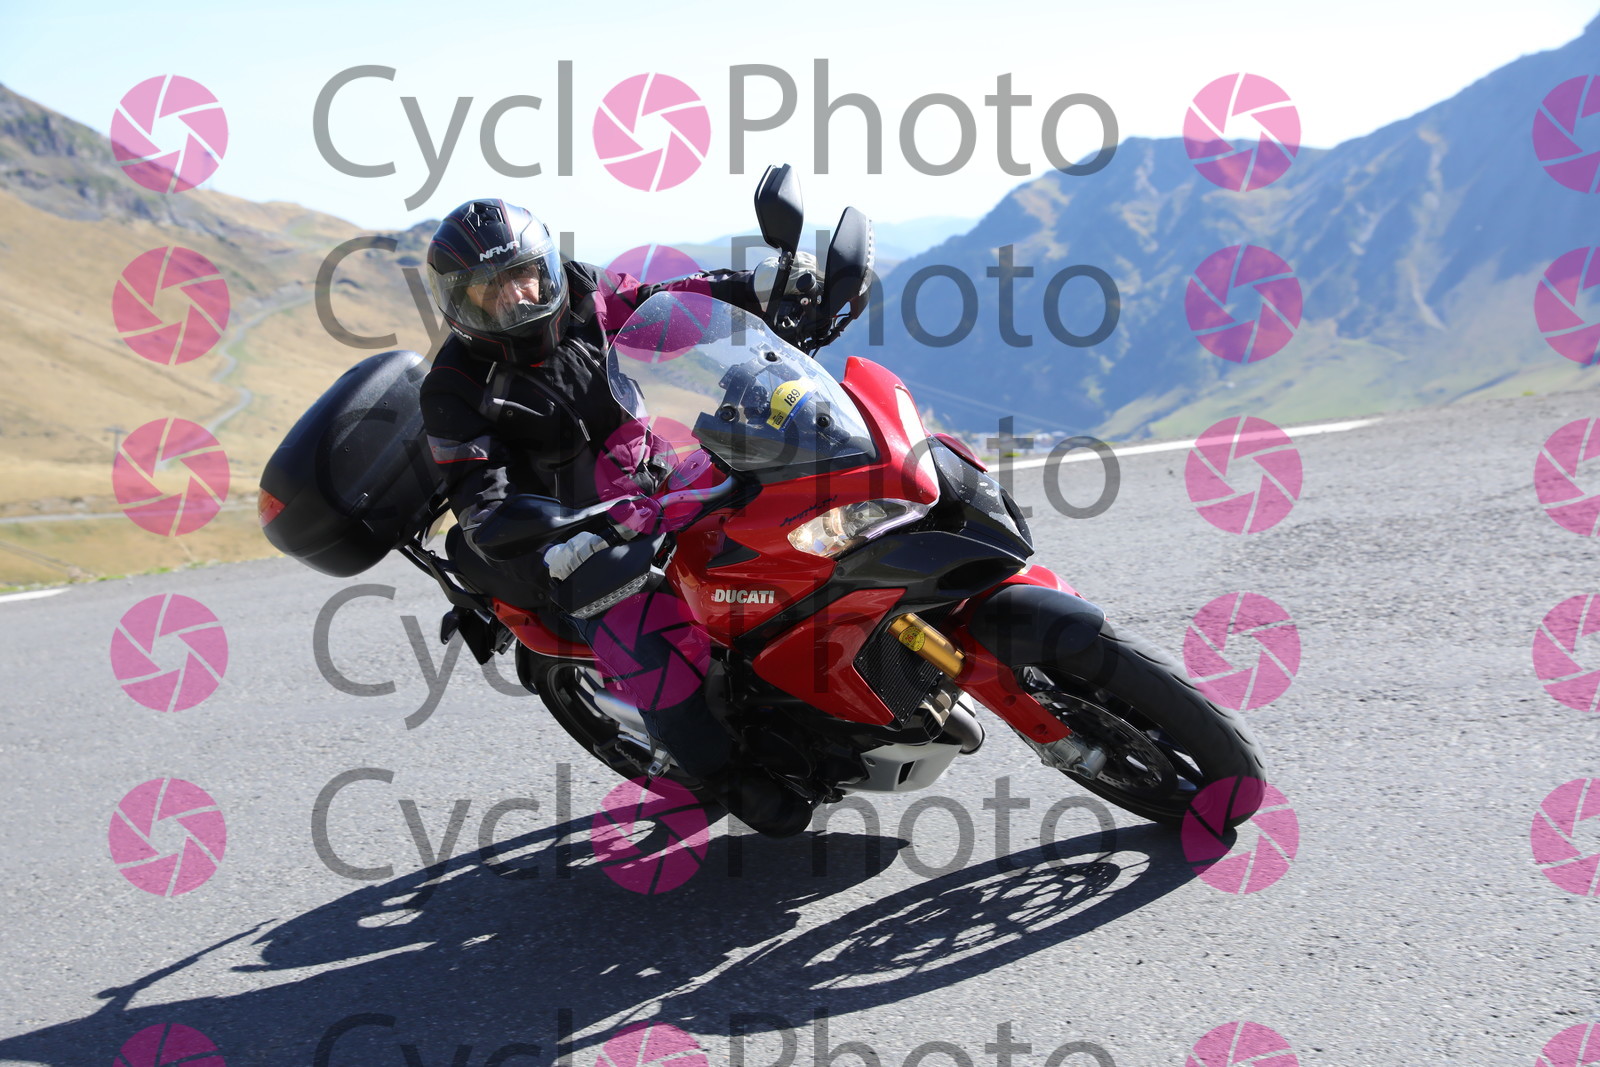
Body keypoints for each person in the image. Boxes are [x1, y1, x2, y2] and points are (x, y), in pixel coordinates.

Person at [419, 198, 818, 837]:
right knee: (653, 647)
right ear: (458, 302)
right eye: (490, 289)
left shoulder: (583, 291)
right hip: (573, 537)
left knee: (782, 526)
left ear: (545, 267)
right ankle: (732, 778)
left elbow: (667, 305)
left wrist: (753, 288)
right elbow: (482, 501)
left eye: (522, 275)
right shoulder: (454, 386)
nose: (516, 297)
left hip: (657, 478)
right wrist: (554, 534)